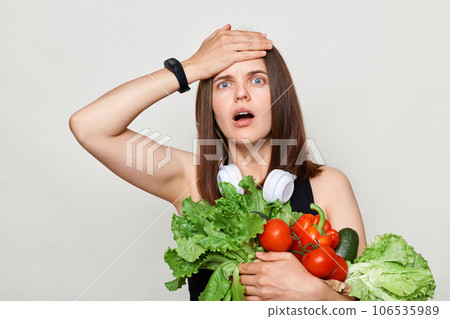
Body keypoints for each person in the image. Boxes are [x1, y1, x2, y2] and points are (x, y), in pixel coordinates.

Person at [69, 24, 367, 301]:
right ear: (210, 106)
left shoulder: (329, 185)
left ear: (280, 95)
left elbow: (368, 303)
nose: (241, 93)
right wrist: (192, 68)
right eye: (224, 84)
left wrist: (318, 295)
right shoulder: (189, 180)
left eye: (258, 80)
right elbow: (89, 126)